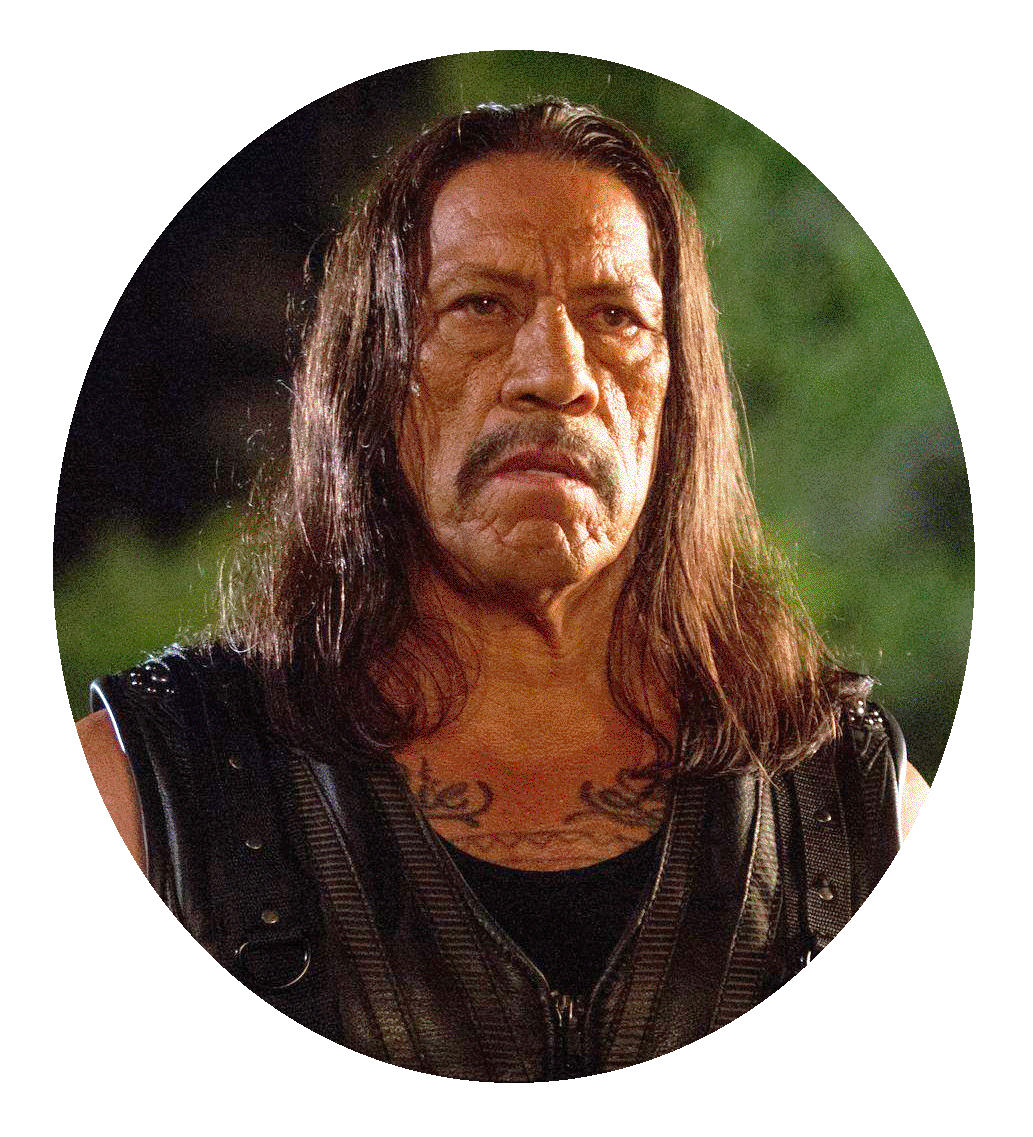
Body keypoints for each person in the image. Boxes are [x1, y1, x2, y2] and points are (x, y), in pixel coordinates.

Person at [77, 98, 928, 1081]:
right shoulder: (143, 795)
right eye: (481, 305)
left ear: (677, 393)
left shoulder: (856, 806)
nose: (557, 374)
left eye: (616, 316)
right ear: (373, 370)